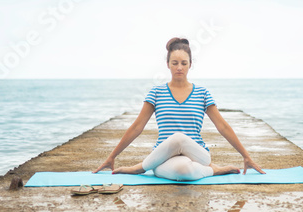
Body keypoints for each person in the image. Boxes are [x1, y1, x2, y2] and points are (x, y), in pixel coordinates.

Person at [93, 37, 265, 181]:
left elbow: (223, 127)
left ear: (190, 64)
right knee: (183, 171)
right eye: (175, 63)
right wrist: (112, 156)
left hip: (198, 154)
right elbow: (137, 127)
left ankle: (139, 168)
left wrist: (246, 156)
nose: (179, 67)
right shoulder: (156, 92)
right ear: (167, 64)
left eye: (184, 63)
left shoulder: (202, 93)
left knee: (179, 139)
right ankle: (214, 170)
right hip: (163, 158)